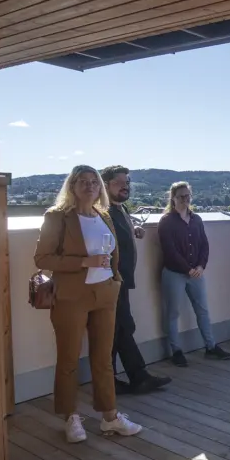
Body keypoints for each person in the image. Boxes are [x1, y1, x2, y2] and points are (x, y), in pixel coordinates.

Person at [34, 165, 143, 444]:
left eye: (94, 181)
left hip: (105, 294)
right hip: (72, 296)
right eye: (82, 181)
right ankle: (70, 417)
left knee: (103, 359)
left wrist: (115, 279)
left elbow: (113, 253)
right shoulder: (58, 217)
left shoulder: (103, 215)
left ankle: (110, 417)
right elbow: (43, 259)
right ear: (72, 186)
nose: (89, 185)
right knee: (69, 360)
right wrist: (84, 262)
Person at [100, 165, 170, 395]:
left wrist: (134, 230)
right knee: (118, 328)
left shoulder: (120, 209)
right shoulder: (103, 212)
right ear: (106, 185)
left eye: (127, 182)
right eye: (119, 183)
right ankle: (130, 378)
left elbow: (121, 235)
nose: (125, 187)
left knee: (118, 329)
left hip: (121, 280)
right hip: (110, 281)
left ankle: (117, 380)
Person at [158, 181, 230, 366]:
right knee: (173, 313)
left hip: (196, 274)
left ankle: (210, 346)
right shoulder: (166, 221)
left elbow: (204, 245)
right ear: (173, 198)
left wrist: (200, 266)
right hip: (174, 273)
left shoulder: (196, 219)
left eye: (187, 196)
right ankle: (176, 350)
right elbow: (170, 250)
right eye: (181, 196)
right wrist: (187, 269)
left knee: (203, 311)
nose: (185, 200)